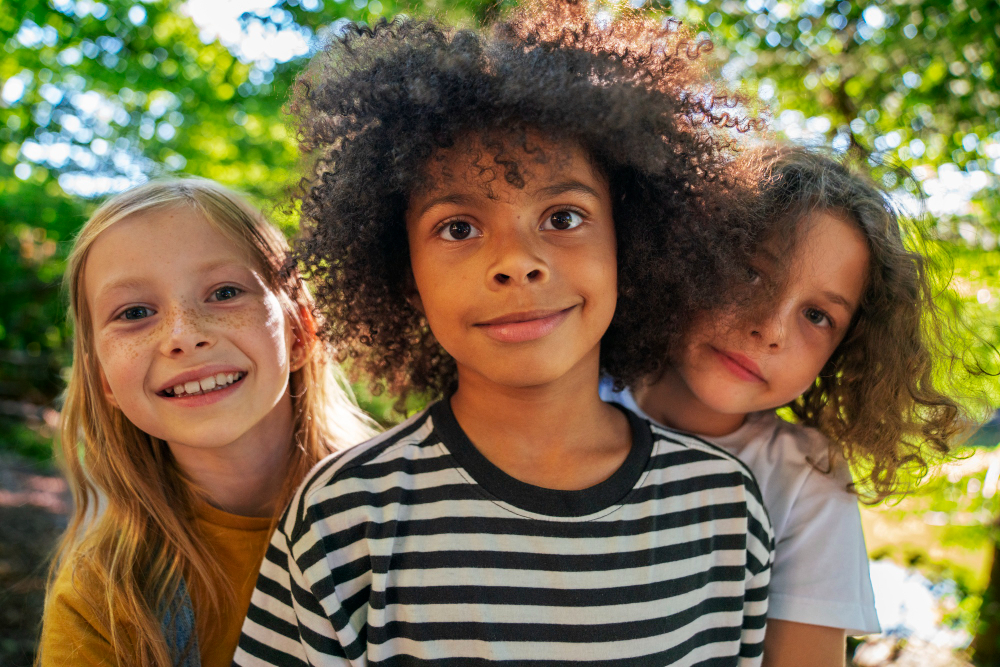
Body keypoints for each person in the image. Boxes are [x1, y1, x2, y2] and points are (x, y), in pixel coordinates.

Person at [235, 2, 775, 665]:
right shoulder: (345, 519)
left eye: (563, 215)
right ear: (405, 272)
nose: (518, 260)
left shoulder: (721, 507)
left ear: (628, 241)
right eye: (458, 227)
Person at [603, 147, 968, 667]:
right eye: (751, 274)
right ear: (688, 257)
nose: (770, 329)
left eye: (817, 315)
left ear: (846, 351)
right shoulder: (574, 391)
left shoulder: (807, 478)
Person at [38, 179, 375, 667]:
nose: (183, 335)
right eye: (134, 312)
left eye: (223, 292)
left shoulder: (416, 512)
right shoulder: (103, 598)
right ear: (104, 380)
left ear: (300, 330)